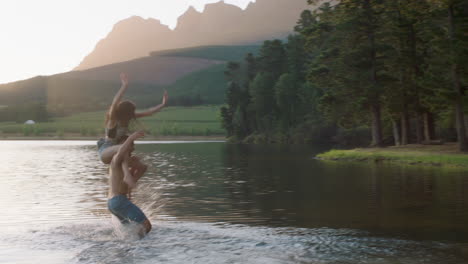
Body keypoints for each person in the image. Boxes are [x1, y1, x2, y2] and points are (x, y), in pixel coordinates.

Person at [97, 73, 168, 186]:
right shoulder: (113, 120)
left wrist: (162, 104)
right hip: (106, 151)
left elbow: (149, 112)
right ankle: (126, 175)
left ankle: (129, 186)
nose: (133, 115)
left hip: (118, 153)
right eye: (131, 112)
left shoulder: (128, 117)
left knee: (142, 167)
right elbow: (114, 103)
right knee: (124, 146)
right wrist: (124, 86)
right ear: (125, 112)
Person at [107, 130, 152, 236]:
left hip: (112, 203)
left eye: (132, 145)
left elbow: (143, 168)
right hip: (118, 200)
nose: (131, 147)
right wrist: (131, 138)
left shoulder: (125, 162)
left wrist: (136, 169)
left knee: (128, 230)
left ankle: (128, 247)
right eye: (128, 144)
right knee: (146, 226)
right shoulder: (116, 158)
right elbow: (122, 150)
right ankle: (137, 246)